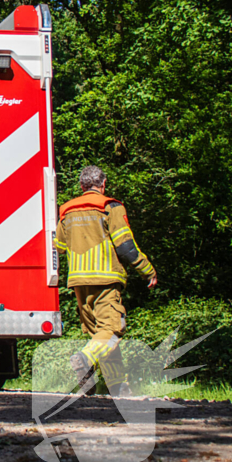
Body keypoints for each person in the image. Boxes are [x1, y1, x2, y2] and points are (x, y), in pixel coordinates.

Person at [54, 166, 158, 397]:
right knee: (111, 331)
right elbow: (125, 246)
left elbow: (59, 246)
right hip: (106, 278)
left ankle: (118, 388)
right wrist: (147, 270)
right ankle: (84, 359)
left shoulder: (66, 210)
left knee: (100, 336)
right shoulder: (110, 207)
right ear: (103, 184)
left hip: (79, 281)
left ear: (82, 186)